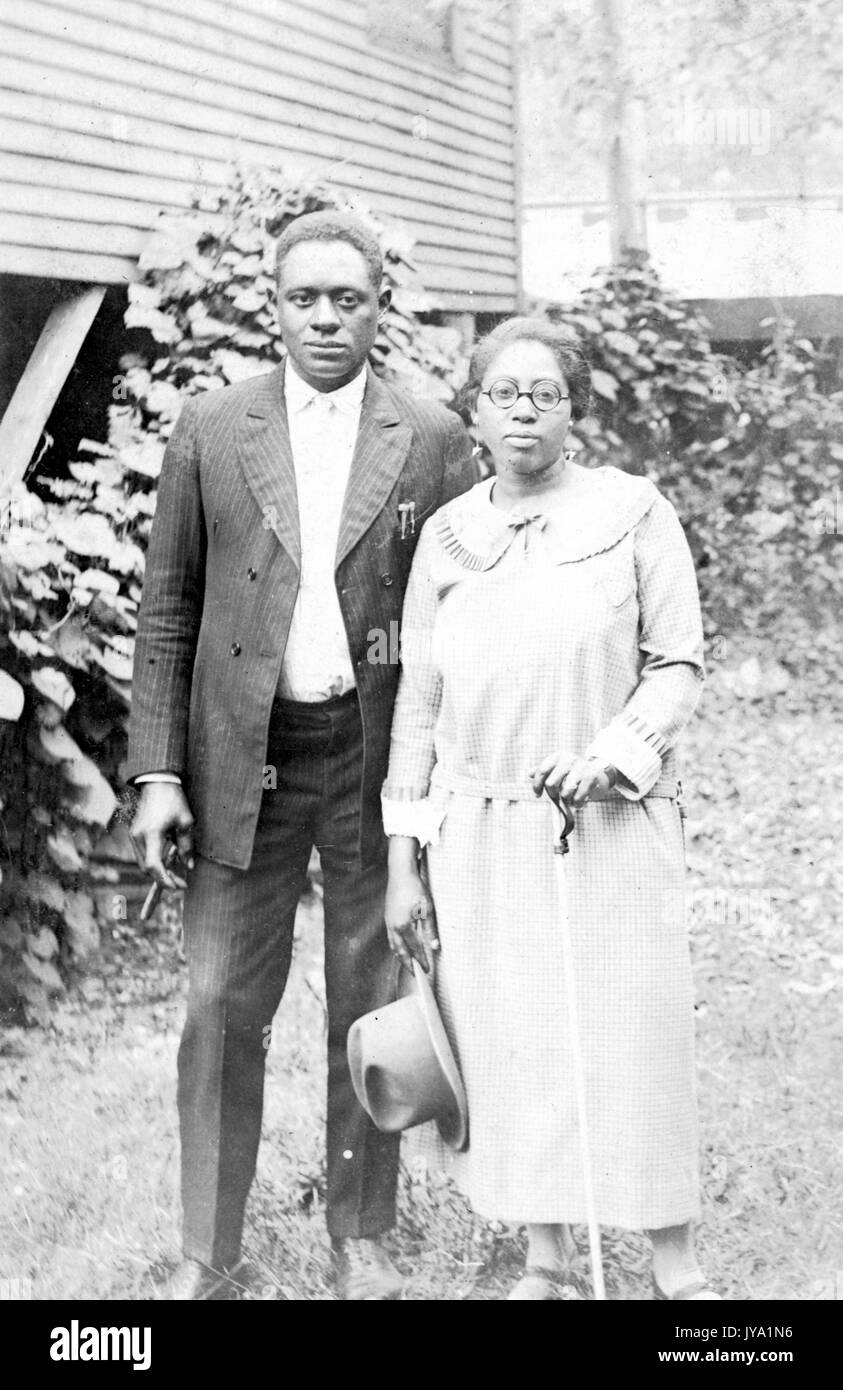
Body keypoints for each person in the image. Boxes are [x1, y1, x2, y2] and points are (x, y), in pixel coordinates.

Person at [126, 211, 475, 1300]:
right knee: (220, 1000)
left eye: (349, 299)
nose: (327, 318)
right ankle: (209, 1249)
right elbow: (168, 608)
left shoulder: (430, 434)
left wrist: (440, 787)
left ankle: (360, 1230)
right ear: (273, 306)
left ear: (380, 306)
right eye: (305, 298)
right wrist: (157, 776)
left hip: (374, 760)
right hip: (245, 758)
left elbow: (460, 621)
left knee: (367, 994)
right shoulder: (210, 428)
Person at [382, 316, 720, 1301]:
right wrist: (406, 859)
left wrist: (614, 757)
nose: (524, 410)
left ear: (574, 409)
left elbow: (677, 664)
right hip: (480, 830)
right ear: (474, 411)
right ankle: (545, 1255)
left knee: (634, 1031)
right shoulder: (447, 538)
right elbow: (418, 702)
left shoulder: (634, 512)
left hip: (609, 820)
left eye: (546, 393)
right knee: (514, 1036)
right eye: (504, 394)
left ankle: (672, 1259)